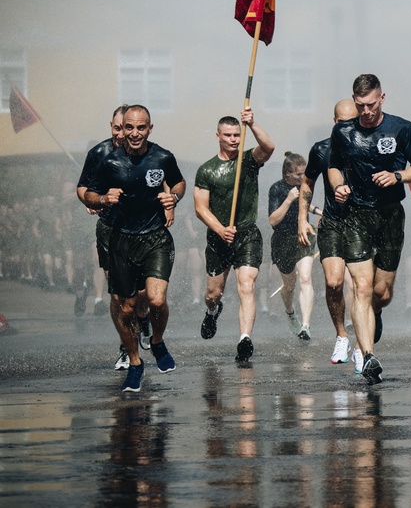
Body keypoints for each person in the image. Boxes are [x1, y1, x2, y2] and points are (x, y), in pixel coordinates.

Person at [326, 74, 411, 385]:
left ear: (382, 98)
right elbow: (332, 166)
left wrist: (398, 176)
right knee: (362, 287)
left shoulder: (402, 128)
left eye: (371, 105)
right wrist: (339, 186)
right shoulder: (343, 131)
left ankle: (376, 314)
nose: (366, 112)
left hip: (390, 216)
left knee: (381, 293)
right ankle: (368, 354)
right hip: (356, 215)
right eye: (360, 106)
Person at [84, 104, 185, 392]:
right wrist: (103, 199)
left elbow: (178, 183)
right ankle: (134, 362)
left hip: (155, 238)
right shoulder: (109, 161)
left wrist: (173, 198)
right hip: (121, 240)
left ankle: (157, 341)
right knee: (126, 309)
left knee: (155, 300)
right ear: (121, 129)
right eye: (129, 127)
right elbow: (87, 193)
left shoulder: (163, 156)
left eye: (141, 127)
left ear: (149, 128)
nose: (135, 133)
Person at [195, 107, 275, 363]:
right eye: (228, 135)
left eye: (237, 135)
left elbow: (269, 147)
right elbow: (200, 208)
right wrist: (220, 229)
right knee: (213, 293)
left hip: (247, 234)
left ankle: (244, 338)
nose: (233, 139)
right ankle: (213, 311)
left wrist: (251, 124)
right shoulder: (207, 170)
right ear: (218, 136)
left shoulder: (249, 161)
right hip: (219, 238)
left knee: (246, 285)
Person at [75, 104, 153, 370]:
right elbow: (84, 187)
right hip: (110, 228)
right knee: (118, 295)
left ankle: (144, 318)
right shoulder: (99, 153)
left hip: (143, 230)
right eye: (118, 128)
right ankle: (126, 348)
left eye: (128, 128)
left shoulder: (146, 151)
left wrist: (168, 201)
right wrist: (92, 199)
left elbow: (163, 178)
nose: (122, 134)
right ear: (111, 126)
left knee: (141, 294)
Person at [299, 99, 360, 370]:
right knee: (334, 283)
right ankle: (342, 336)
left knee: (362, 287)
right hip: (332, 223)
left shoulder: (367, 147)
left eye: (351, 122)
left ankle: (363, 346)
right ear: (334, 122)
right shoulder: (322, 149)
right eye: (341, 123)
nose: (346, 127)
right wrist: (303, 219)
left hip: (361, 224)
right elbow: (307, 182)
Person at [269, 151, 318, 341]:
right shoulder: (276, 189)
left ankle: (306, 326)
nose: (302, 177)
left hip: (303, 236)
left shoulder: (306, 186)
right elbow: (273, 220)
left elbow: (305, 206)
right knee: (289, 286)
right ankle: (290, 312)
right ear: (287, 174)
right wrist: (289, 199)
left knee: (305, 278)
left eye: (304, 173)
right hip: (282, 240)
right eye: (298, 174)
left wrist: (320, 211)